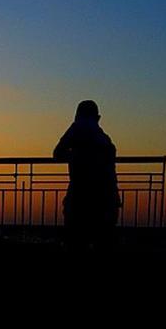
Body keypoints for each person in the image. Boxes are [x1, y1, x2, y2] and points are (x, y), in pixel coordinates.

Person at [52, 100, 120, 250]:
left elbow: (57, 153)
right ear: (97, 117)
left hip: (81, 196)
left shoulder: (77, 128)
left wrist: (76, 156)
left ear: (78, 114)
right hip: (107, 197)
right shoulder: (104, 138)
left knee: (76, 242)